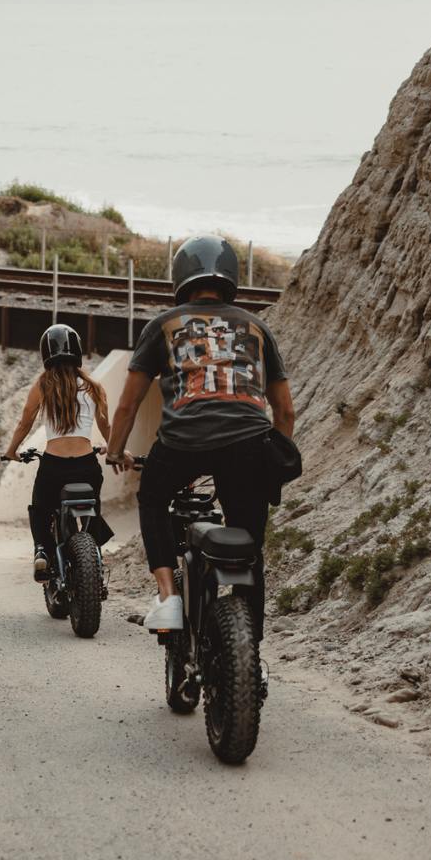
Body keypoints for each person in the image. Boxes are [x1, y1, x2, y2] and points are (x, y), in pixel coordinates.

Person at [105, 236, 296, 641]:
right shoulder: (257, 328)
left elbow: (128, 405)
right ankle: (252, 650)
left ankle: (168, 596)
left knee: (153, 499)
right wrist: (274, 458)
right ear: (230, 277)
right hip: (250, 444)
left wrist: (116, 451)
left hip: (182, 444)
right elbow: (285, 411)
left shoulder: (163, 326)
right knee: (249, 546)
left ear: (181, 279)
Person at [0, 324, 114, 582]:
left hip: (53, 467)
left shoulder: (42, 386)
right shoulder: (93, 387)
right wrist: (114, 448)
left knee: (40, 508)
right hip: (87, 465)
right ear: (78, 352)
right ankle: (94, 552)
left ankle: (42, 550)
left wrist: (11, 451)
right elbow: (106, 425)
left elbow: (24, 423)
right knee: (93, 506)